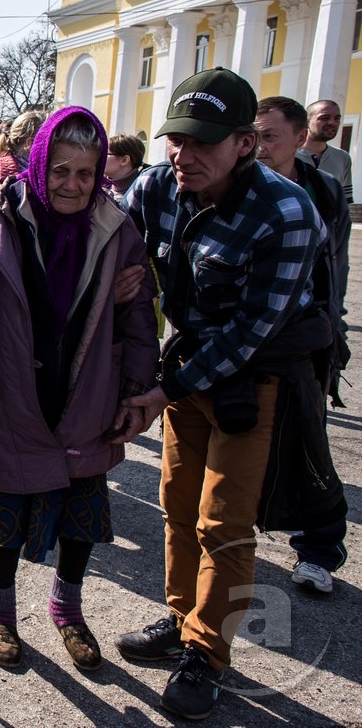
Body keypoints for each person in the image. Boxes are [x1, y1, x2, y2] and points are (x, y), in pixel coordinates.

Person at [116, 68, 345, 721]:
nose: (184, 156)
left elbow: (250, 332)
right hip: (186, 365)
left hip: (258, 376)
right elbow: (114, 250)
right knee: (176, 505)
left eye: (203, 143)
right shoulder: (158, 183)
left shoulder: (287, 211)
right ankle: (181, 617)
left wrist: (161, 389)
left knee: (224, 521)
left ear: (245, 144)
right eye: (176, 140)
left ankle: (207, 654)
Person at [0, 106, 158, 672]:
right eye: (61, 170)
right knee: (7, 508)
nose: (72, 184)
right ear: (40, 162)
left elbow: (141, 316)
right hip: (5, 386)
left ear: (100, 175)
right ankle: (0, 612)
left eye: (86, 174)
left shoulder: (117, 228)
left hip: (88, 389)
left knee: (83, 511)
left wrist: (139, 387)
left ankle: (67, 609)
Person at [253, 95, 350, 595]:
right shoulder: (240, 187)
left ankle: (318, 552)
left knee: (311, 447)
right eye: (256, 136)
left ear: (298, 139)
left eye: (271, 136)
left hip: (306, 339)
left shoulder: (325, 189)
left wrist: (334, 329)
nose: (261, 147)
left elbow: (336, 266)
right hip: (252, 343)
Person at [297, 99, 353, 203]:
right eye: (324, 118)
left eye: (337, 118)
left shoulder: (342, 158)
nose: (332, 122)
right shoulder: (289, 154)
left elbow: (345, 201)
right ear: (307, 121)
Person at [105, 133, 146, 198]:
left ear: (124, 160)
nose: (99, 157)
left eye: (105, 153)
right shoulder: (98, 188)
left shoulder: (142, 194)